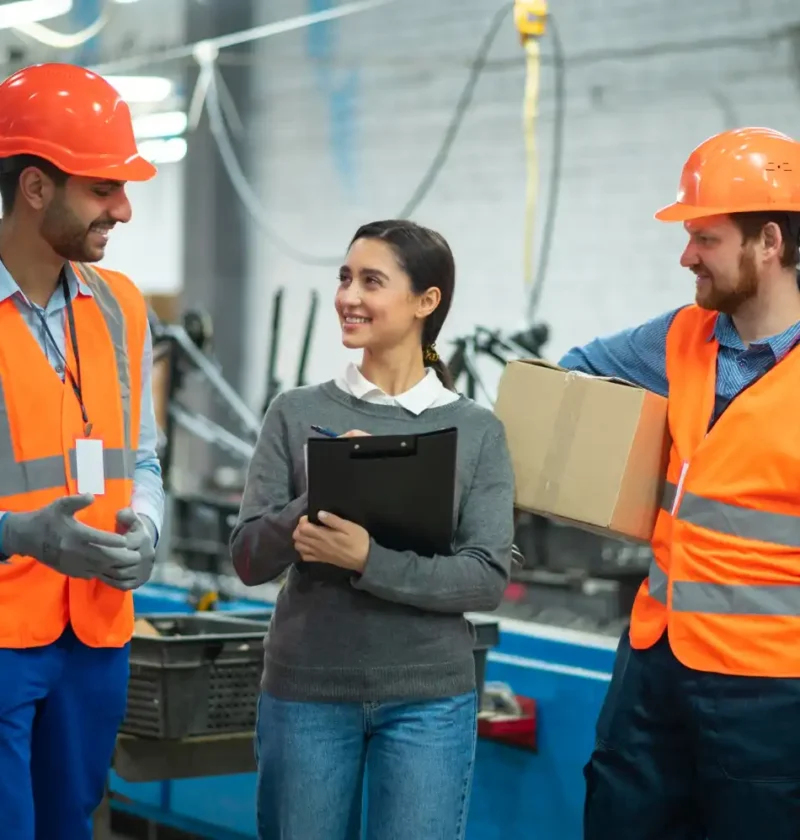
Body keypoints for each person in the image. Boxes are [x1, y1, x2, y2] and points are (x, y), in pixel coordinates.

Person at [230, 219, 515, 840]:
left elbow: (485, 577)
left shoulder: (476, 430)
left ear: (425, 301)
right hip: (306, 693)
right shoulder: (296, 413)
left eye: (371, 281)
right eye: (344, 278)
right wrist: (321, 496)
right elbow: (249, 557)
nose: (348, 297)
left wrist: (368, 559)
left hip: (429, 702)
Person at [558, 127, 800, 839]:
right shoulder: (679, 338)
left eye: (707, 239)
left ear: (770, 244)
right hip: (652, 663)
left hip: (771, 688)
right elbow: (569, 381)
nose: (686, 255)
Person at [0, 63, 165, 840]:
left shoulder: (121, 306)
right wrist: (20, 535)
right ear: (36, 187)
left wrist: (151, 534)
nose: (124, 209)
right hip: (2, 634)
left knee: (69, 826)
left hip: (95, 636)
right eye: (103, 188)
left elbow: (144, 458)